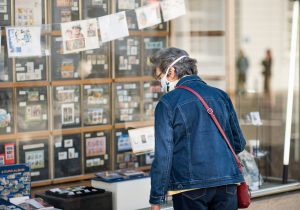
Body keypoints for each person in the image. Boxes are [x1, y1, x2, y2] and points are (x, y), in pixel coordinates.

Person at [149, 47, 246, 210]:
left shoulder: (167, 103)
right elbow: (239, 144)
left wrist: (156, 198)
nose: (160, 82)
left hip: (189, 186)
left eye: (160, 77)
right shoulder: (221, 95)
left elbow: (163, 156)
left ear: (171, 72)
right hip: (227, 182)